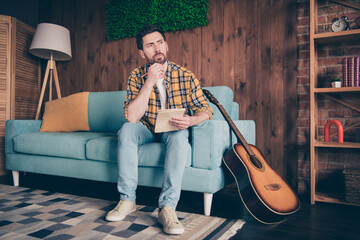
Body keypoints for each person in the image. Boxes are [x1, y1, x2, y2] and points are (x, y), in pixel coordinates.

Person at [105, 24, 213, 235]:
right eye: (150, 45)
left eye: (160, 42)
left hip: (172, 130)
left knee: (181, 134)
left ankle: (167, 207)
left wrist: (191, 121)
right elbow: (132, 117)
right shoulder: (136, 76)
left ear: (166, 45)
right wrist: (150, 82)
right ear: (141, 52)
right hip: (145, 129)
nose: (157, 48)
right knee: (126, 130)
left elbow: (205, 110)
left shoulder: (186, 76)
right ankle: (127, 200)